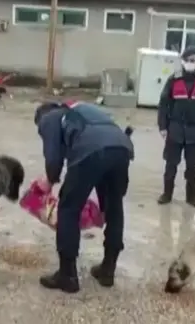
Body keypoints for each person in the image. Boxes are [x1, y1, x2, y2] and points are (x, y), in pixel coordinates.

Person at [34, 100, 134, 293]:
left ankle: (67, 275)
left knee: (69, 208)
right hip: (121, 148)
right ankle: (108, 269)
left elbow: (54, 157)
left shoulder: (48, 118)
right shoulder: (82, 111)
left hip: (91, 149)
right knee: (114, 207)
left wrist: (49, 180)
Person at [157, 47, 195, 207]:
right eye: (188, 60)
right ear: (182, 61)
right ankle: (166, 194)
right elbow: (163, 105)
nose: (190, 63)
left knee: (192, 167)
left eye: (194, 60)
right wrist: (163, 126)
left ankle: (191, 197)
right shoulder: (174, 80)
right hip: (175, 129)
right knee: (171, 165)